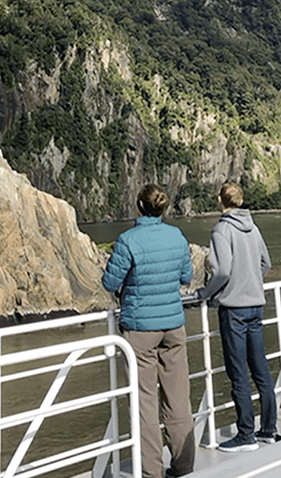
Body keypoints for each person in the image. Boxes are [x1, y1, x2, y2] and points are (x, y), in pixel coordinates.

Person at [102, 184, 195, 478]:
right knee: (178, 395)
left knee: (144, 401)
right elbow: (186, 275)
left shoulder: (128, 240)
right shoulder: (176, 236)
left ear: (140, 207)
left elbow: (109, 281)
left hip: (140, 328)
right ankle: (184, 465)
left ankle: (152, 471)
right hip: (173, 325)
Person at [195, 182, 277, 452]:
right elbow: (266, 263)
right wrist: (252, 281)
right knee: (260, 369)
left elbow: (221, 271)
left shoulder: (222, 228)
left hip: (234, 309)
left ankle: (245, 435)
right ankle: (268, 429)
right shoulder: (253, 227)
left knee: (238, 372)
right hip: (256, 304)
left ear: (221, 200)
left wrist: (205, 293)